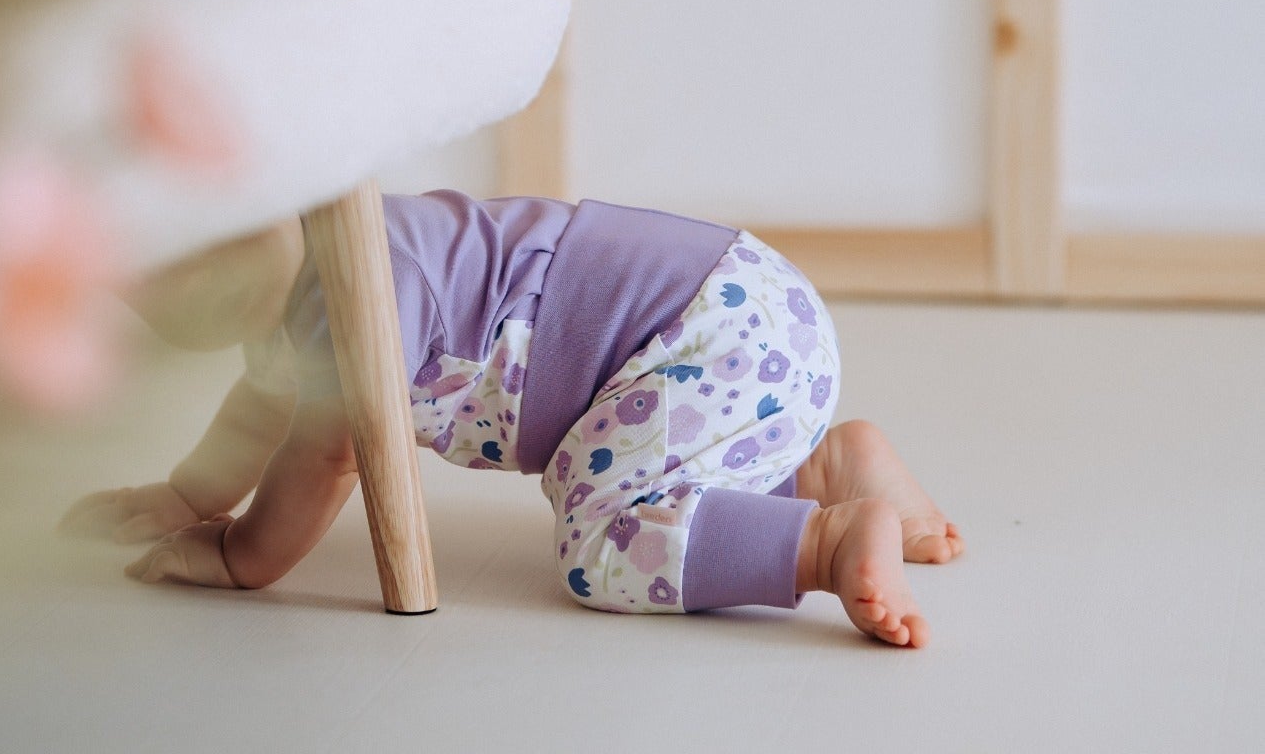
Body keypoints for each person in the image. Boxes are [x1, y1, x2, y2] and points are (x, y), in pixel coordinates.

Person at [62, 194, 962, 648]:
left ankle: (823, 540)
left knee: (599, 542)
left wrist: (241, 554)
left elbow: (331, 446)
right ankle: (823, 463)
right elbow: (267, 404)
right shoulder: (335, 234)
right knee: (640, 468)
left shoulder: (354, 304)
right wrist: (187, 493)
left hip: (703, 338)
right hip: (750, 316)